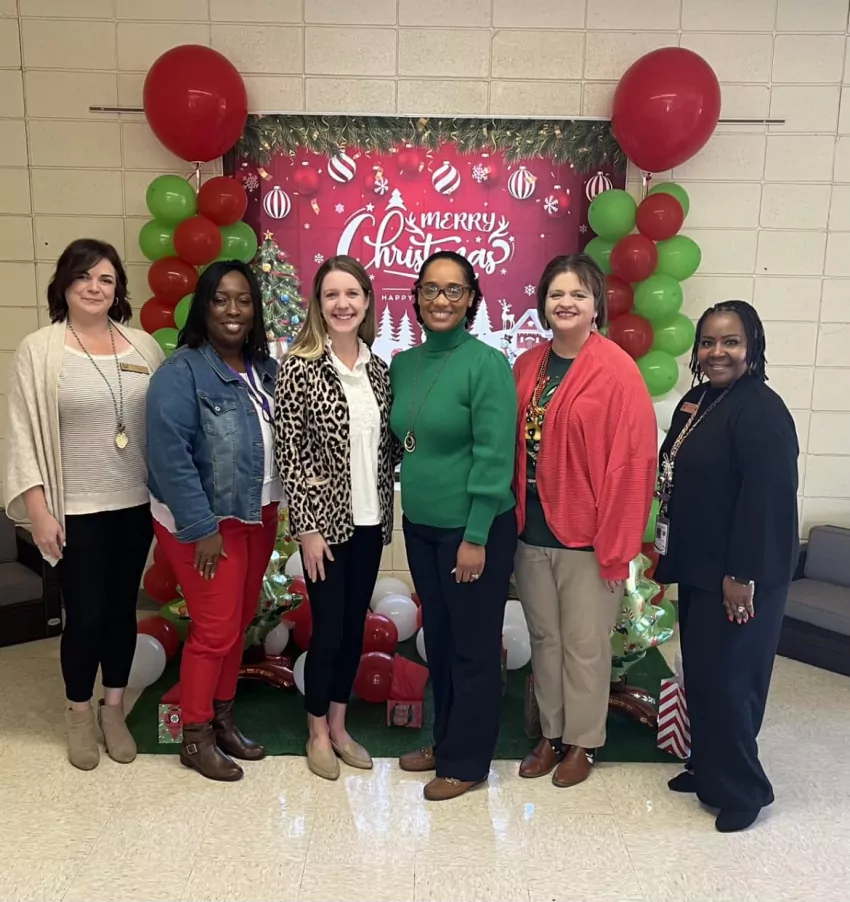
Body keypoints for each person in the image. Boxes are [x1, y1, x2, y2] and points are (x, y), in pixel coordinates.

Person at [4, 238, 163, 771]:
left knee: (121, 613)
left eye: (106, 279)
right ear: (64, 284)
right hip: (73, 511)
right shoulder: (40, 349)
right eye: (84, 277)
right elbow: (21, 435)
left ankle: (112, 709)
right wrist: (38, 510)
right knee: (86, 615)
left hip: (134, 505)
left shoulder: (144, 347)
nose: (95, 288)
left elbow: (163, 425)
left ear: (118, 289)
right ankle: (77, 714)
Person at [512, 254, 656, 788]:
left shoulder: (617, 370)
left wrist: (617, 546)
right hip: (530, 531)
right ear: (543, 303)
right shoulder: (527, 364)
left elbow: (634, 463)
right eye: (556, 294)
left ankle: (584, 742)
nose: (566, 303)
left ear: (597, 305)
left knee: (585, 646)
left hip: (590, 538)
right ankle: (551, 735)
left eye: (578, 294)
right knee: (545, 639)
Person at [655, 300, 798, 833]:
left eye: (731, 342)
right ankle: (708, 768)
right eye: (708, 342)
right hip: (701, 567)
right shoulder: (700, 400)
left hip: (741, 575)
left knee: (732, 683)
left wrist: (742, 576)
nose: (717, 352)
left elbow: (766, 502)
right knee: (704, 677)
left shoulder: (761, 410)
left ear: (752, 347)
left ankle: (743, 791)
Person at [146, 260, 281, 782]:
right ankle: (195, 735)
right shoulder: (180, 373)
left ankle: (223, 720)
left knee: (238, 622)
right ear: (203, 306)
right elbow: (169, 457)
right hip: (206, 522)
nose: (233, 310)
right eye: (221, 299)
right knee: (216, 628)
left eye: (243, 300)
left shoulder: (263, 368)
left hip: (258, 512)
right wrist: (201, 527)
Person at [390, 250, 517, 802]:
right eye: (430, 289)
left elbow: (494, 455)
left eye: (453, 290)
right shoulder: (404, 364)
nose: (440, 300)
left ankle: (468, 762)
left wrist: (476, 536)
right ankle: (445, 742)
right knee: (438, 642)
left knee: (472, 649)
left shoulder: (487, 364)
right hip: (421, 529)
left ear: (471, 301)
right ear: (416, 296)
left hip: (473, 532)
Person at [274, 255, 397, 782]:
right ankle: (317, 730)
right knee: (327, 631)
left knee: (353, 631)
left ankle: (341, 727)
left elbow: (389, 447)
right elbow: (290, 454)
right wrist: (306, 528)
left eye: (352, 294)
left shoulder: (379, 370)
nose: (342, 304)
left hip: (370, 523)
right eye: (331, 295)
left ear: (367, 302)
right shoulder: (300, 366)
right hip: (324, 527)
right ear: (318, 304)